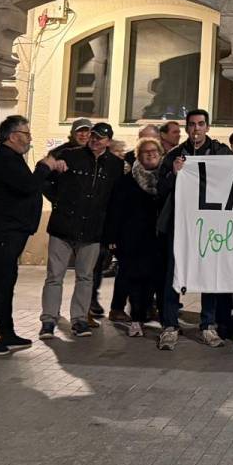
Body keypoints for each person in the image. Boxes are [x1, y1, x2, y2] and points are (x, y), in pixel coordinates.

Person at [0, 116, 65, 356]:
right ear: (12, 136)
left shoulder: (11, 158)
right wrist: (44, 166)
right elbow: (27, 186)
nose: (29, 138)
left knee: (5, 281)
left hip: (11, 231)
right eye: (26, 134)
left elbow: (28, 186)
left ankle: (6, 331)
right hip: (1, 231)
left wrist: (48, 171)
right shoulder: (1, 157)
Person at [39, 121, 123, 340]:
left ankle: (79, 319)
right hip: (63, 226)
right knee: (54, 276)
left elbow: (116, 200)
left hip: (93, 229)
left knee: (85, 277)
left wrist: (111, 232)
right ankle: (48, 320)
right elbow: (44, 178)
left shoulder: (114, 165)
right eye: (92, 136)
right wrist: (57, 200)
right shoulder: (69, 155)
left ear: (108, 141)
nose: (94, 140)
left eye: (100, 137)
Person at [155, 109, 230, 351]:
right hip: (180, 225)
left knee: (209, 274)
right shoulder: (174, 155)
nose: (196, 129)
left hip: (210, 226)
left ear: (207, 127)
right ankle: (169, 325)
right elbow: (161, 188)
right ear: (187, 129)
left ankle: (208, 325)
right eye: (192, 125)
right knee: (171, 274)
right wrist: (174, 174)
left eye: (200, 124)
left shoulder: (220, 153)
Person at [102, 137, 166, 338]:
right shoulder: (126, 181)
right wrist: (112, 237)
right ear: (138, 156)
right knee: (136, 282)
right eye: (146, 151)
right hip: (133, 240)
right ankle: (136, 319)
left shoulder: (167, 178)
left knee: (159, 282)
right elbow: (115, 210)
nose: (151, 154)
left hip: (160, 239)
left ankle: (165, 322)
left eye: (154, 151)